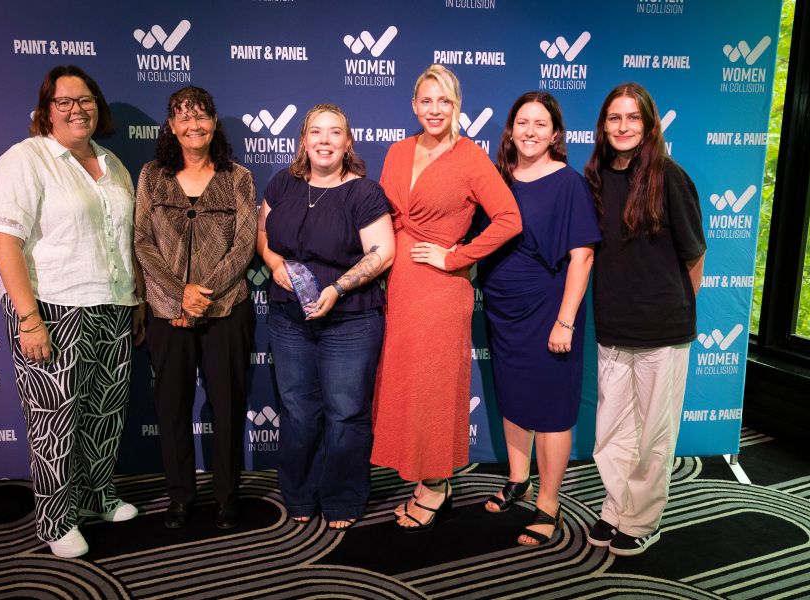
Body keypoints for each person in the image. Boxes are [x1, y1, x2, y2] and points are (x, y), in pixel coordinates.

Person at [0, 65, 144, 558]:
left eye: (86, 100)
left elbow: (126, 241)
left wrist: (135, 300)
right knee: (54, 420)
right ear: (46, 111)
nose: (78, 109)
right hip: (53, 308)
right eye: (65, 102)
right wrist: (29, 318)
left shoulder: (113, 164)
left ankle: (97, 496)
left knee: (104, 412)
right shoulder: (26, 159)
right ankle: (55, 520)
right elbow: (5, 241)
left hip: (113, 304)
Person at [371, 64, 522, 531]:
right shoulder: (398, 151)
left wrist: (457, 256)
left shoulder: (470, 157)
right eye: (426, 101)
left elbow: (509, 218)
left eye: (444, 101)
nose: (434, 109)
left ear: (457, 106)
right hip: (399, 286)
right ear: (414, 105)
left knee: (432, 391)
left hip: (440, 292)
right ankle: (425, 481)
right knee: (408, 387)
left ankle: (436, 487)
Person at [257, 104, 395, 530]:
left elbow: (383, 253)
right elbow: (262, 235)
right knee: (297, 410)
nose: (324, 140)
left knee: (346, 413)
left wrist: (337, 289)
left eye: (334, 132)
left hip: (349, 318)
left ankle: (342, 499)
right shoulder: (282, 183)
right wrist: (275, 265)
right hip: (289, 317)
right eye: (315, 132)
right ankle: (300, 493)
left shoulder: (364, 192)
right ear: (303, 140)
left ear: (347, 142)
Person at [584, 83, 705, 556]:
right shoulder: (595, 177)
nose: (623, 126)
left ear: (649, 124)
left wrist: (674, 308)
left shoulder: (669, 177)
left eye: (633, 118)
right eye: (615, 118)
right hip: (613, 326)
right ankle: (617, 508)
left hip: (664, 329)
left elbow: (694, 255)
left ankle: (643, 519)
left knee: (654, 432)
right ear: (603, 125)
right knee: (613, 431)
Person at [477, 92, 601, 546]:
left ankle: (549, 502)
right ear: (510, 130)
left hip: (549, 311)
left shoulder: (568, 184)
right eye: (522, 123)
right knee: (513, 399)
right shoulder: (497, 180)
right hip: (503, 311)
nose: (530, 132)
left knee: (550, 411)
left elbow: (583, 256)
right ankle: (519, 480)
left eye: (540, 124)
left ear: (555, 134)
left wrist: (565, 321)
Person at [134, 86, 257, 531]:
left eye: (201, 115)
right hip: (168, 312)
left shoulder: (238, 177)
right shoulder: (152, 176)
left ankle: (227, 496)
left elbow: (245, 244)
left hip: (226, 309)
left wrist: (203, 294)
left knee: (227, 406)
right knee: (171, 407)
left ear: (214, 122)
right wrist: (178, 292)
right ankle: (181, 496)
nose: (193, 125)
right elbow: (142, 241)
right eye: (183, 117)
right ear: (171, 126)